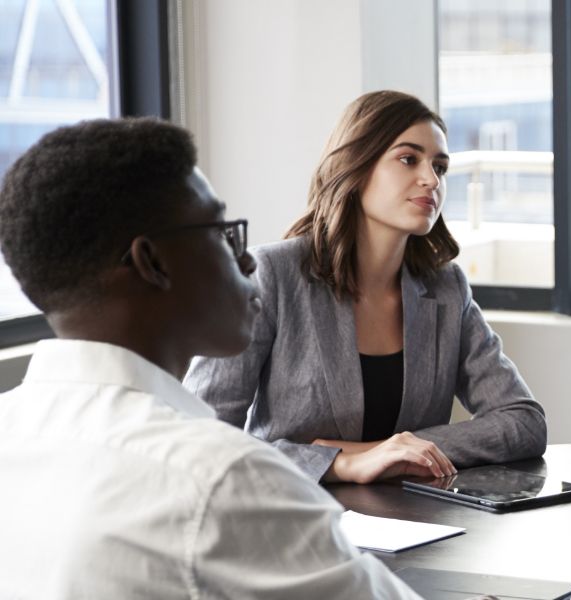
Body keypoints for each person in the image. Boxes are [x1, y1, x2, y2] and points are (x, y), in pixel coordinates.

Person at [0, 117, 571, 600]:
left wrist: (404, 452)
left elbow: (521, 417)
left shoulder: (14, 432)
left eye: (441, 164)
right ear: (153, 264)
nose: (241, 262)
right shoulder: (224, 481)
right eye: (220, 233)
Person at [187, 90, 547, 484]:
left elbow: (524, 422)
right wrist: (340, 463)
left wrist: (394, 450)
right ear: (356, 167)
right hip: (295, 519)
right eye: (408, 159)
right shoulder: (273, 275)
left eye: (440, 167)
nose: (431, 180)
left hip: (419, 525)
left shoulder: (447, 288)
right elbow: (201, 440)